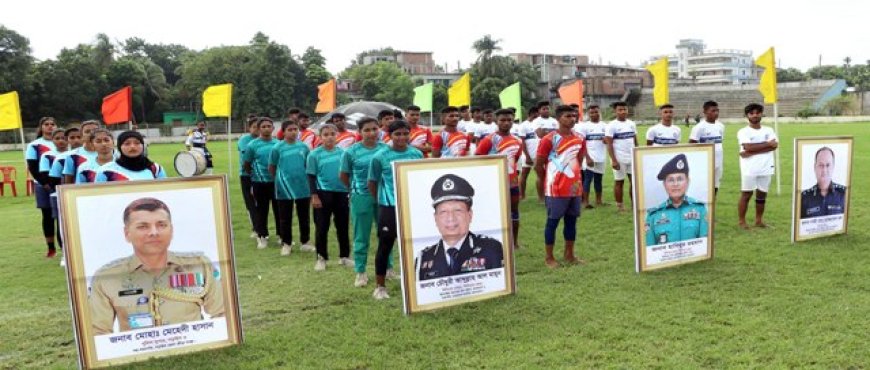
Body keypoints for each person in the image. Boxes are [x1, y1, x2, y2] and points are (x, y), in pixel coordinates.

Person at [88, 197, 224, 335]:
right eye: (143, 226)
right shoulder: (106, 278)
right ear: (127, 233)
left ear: (171, 230)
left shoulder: (199, 266)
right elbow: (98, 333)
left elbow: (224, 315)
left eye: (161, 225)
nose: (154, 232)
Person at [368, 120, 423, 299]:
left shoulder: (416, 154)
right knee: (385, 245)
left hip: (410, 206)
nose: (402, 137)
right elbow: (372, 182)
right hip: (389, 207)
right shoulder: (380, 156)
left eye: (405, 133)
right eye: (397, 134)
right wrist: (382, 201)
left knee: (413, 245)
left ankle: (415, 281)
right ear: (389, 136)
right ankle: (380, 286)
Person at [416, 174, 504, 281]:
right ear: (436, 218)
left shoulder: (491, 248)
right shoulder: (423, 258)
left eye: (458, 210)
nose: (451, 218)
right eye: (443, 212)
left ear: (470, 215)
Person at [340, 118, 392, 287]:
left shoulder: (386, 149)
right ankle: (361, 272)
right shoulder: (351, 152)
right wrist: (355, 190)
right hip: (361, 198)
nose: (371, 133)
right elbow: (343, 175)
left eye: (374, 129)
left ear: (380, 130)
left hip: (384, 198)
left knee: (386, 235)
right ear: (360, 132)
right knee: (361, 236)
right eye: (367, 130)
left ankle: (388, 269)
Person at [535, 105, 587, 268]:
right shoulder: (549, 139)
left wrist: (576, 182)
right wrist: (548, 181)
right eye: (567, 116)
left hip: (574, 188)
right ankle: (549, 257)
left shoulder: (579, 138)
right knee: (553, 223)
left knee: (571, 222)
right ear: (558, 119)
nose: (572, 119)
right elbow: (538, 164)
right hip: (555, 189)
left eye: (573, 116)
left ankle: (569, 254)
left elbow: (578, 161)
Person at [476, 109, 523, 249]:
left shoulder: (517, 141)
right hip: (494, 184)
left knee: (514, 211)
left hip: (512, 183)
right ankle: (493, 243)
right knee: (493, 212)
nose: (506, 123)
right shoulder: (489, 140)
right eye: (503, 120)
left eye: (509, 120)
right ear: (496, 121)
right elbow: (478, 158)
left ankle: (514, 243)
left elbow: (516, 160)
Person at [307, 124, 352, 270]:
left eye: (332, 134)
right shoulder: (314, 154)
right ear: (320, 137)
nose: (329, 137)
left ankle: (344, 256)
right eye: (325, 134)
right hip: (322, 193)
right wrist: (314, 196)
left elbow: (348, 174)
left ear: (337, 135)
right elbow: (311, 176)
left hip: (341, 193)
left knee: (342, 226)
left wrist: (350, 191)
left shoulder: (343, 153)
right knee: (322, 227)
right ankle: (321, 257)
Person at [270, 120, 313, 256]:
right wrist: (280, 179)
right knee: (285, 217)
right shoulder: (277, 148)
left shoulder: (304, 147)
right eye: (290, 129)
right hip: (284, 187)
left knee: (304, 216)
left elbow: (308, 166)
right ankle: (286, 243)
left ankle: (305, 242)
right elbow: (272, 167)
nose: (293, 132)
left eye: (295, 129)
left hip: (302, 186)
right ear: (283, 131)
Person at [644, 154, 708, 246]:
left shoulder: (700, 209)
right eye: (670, 180)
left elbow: (705, 244)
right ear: (664, 185)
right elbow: (649, 249)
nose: (675, 184)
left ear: (687, 182)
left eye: (680, 179)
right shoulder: (653, 215)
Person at [737, 103, 778, 229]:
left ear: (761, 114)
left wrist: (750, 151)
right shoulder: (743, 131)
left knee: (762, 195)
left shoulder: (769, 130)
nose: (755, 115)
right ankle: (742, 222)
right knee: (746, 195)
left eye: (757, 113)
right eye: (751, 113)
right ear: (747, 115)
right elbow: (747, 146)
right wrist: (767, 145)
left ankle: (759, 221)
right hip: (749, 168)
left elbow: (775, 145)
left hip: (766, 167)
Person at [243, 117, 279, 248]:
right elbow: (246, 164)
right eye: (263, 127)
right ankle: (262, 236)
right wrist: (254, 177)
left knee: (279, 210)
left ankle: (281, 236)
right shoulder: (252, 145)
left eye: (269, 126)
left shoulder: (277, 144)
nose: (266, 129)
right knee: (261, 211)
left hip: (276, 182)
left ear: (273, 128)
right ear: (259, 129)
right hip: (259, 183)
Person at [25, 117, 58, 257]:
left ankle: (67, 249)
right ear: (41, 127)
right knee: (48, 216)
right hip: (42, 185)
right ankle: (51, 248)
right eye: (47, 124)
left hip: (61, 185)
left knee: (63, 218)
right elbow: (32, 167)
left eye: (52, 124)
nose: (50, 127)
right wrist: (44, 183)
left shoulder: (63, 144)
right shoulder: (35, 145)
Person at [38, 128, 68, 259]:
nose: (61, 141)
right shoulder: (47, 155)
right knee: (59, 220)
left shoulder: (73, 154)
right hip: (55, 190)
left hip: (71, 190)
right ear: (52, 140)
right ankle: (62, 252)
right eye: (57, 138)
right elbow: (45, 174)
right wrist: (57, 189)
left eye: (63, 138)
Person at [604, 101, 638, 212]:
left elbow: (635, 141)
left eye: (625, 109)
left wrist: (637, 154)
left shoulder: (631, 124)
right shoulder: (611, 125)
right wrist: (613, 160)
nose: (623, 111)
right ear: (615, 111)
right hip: (619, 158)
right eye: (620, 110)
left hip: (632, 156)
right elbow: (609, 144)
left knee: (634, 181)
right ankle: (620, 206)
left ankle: (634, 205)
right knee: (619, 182)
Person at [95, 131, 167, 182]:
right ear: (120, 147)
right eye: (127, 143)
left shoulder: (156, 169)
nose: (132, 146)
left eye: (137, 143)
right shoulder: (105, 170)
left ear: (143, 146)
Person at [573, 104, 607, 209]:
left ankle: (599, 200)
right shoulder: (585, 126)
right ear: (588, 114)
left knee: (598, 179)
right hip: (589, 158)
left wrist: (606, 141)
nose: (594, 114)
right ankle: (585, 201)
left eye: (596, 112)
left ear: (599, 112)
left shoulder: (605, 125)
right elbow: (582, 143)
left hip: (601, 157)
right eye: (591, 113)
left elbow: (608, 140)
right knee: (587, 179)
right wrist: (587, 157)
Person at [689, 101, 725, 196]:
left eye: (717, 110)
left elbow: (720, 142)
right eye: (713, 111)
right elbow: (692, 145)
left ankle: (711, 209)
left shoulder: (721, 126)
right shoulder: (699, 127)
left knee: (715, 186)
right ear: (705, 112)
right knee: (704, 187)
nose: (716, 113)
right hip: (704, 163)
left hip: (718, 162)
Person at [800, 147, 846, 218]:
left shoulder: (844, 194)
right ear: (815, 167)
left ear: (833, 166)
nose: (824, 170)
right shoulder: (803, 197)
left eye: (828, 165)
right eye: (821, 165)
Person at [238, 115, 260, 238]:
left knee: (261, 203)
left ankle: (260, 228)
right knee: (251, 203)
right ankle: (256, 228)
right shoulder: (244, 140)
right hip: (247, 175)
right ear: (249, 128)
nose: (257, 129)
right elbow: (245, 159)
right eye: (254, 127)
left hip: (263, 177)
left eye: (258, 127)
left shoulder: (265, 141)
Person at [62, 120, 101, 184]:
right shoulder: (72, 156)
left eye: (95, 130)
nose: (91, 133)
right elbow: (68, 182)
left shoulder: (113, 153)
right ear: (82, 135)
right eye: (87, 131)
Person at [518, 106, 540, 200]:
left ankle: (541, 197)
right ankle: (522, 195)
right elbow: (522, 142)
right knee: (524, 175)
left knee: (540, 175)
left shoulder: (539, 124)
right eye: (537, 114)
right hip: (527, 155)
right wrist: (527, 156)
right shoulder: (523, 125)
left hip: (538, 155)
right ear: (531, 114)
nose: (538, 116)